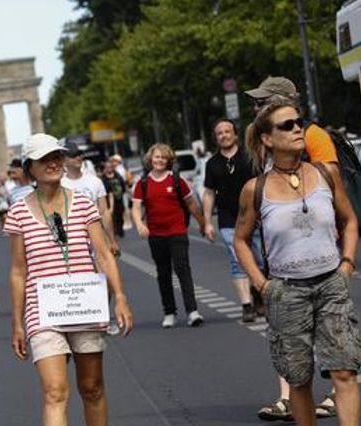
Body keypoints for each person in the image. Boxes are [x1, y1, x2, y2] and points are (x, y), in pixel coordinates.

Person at [234, 101, 361, 426]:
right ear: (267, 139)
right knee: (299, 377)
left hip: (330, 284)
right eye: (287, 125)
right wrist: (261, 283)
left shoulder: (325, 174)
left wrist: (347, 263)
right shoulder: (254, 189)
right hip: (286, 291)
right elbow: (241, 240)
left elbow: (350, 220)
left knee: (345, 369)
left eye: (299, 122)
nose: (297, 129)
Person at [6, 134, 133, 426]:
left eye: (58, 156)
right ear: (30, 167)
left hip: (86, 303)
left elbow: (105, 253)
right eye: (45, 158)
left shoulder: (82, 203)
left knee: (91, 387)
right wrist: (16, 321)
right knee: (55, 389)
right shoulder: (17, 211)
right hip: (41, 308)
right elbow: (17, 270)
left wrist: (120, 296)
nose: (55, 162)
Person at [245, 76, 340, 421]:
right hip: (284, 256)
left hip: (321, 255)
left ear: (282, 101)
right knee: (285, 328)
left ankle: (334, 392)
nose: (254, 108)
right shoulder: (268, 139)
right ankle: (287, 397)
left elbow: (333, 190)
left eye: (261, 102)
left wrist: (343, 262)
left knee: (327, 329)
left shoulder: (312, 136)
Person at [131, 143, 207, 328]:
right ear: (150, 159)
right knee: (163, 274)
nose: (159, 161)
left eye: (163, 158)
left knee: (183, 270)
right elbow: (136, 207)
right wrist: (140, 224)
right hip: (156, 235)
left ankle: (192, 311)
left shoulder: (177, 180)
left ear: (169, 161)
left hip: (177, 232)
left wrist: (204, 223)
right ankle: (169, 312)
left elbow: (191, 204)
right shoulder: (143, 183)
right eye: (157, 157)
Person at [201, 119, 263, 323]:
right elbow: (209, 193)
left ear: (235, 135)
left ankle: (258, 294)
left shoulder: (249, 157)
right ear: (215, 138)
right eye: (219, 133)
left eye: (228, 131)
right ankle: (246, 305)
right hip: (229, 221)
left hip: (255, 217)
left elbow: (263, 184)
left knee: (260, 259)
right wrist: (207, 222)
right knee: (237, 260)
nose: (224, 135)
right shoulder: (212, 164)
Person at [60, 140, 119, 256]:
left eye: (79, 154)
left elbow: (104, 213)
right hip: (74, 242)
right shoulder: (59, 186)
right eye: (73, 155)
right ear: (64, 160)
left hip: (97, 237)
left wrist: (112, 241)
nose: (78, 157)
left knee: (105, 273)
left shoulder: (95, 182)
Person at [101, 158, 127, 239]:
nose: (109, 169)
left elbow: (123, 184)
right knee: (113, 216)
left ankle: (120, 228)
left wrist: (123, 191)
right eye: (107, 167)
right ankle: (115, 231)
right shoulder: (103, 179)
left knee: (120, 214)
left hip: (119, 198)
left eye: (110, 167)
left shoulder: (117, 175)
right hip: (109, 201)